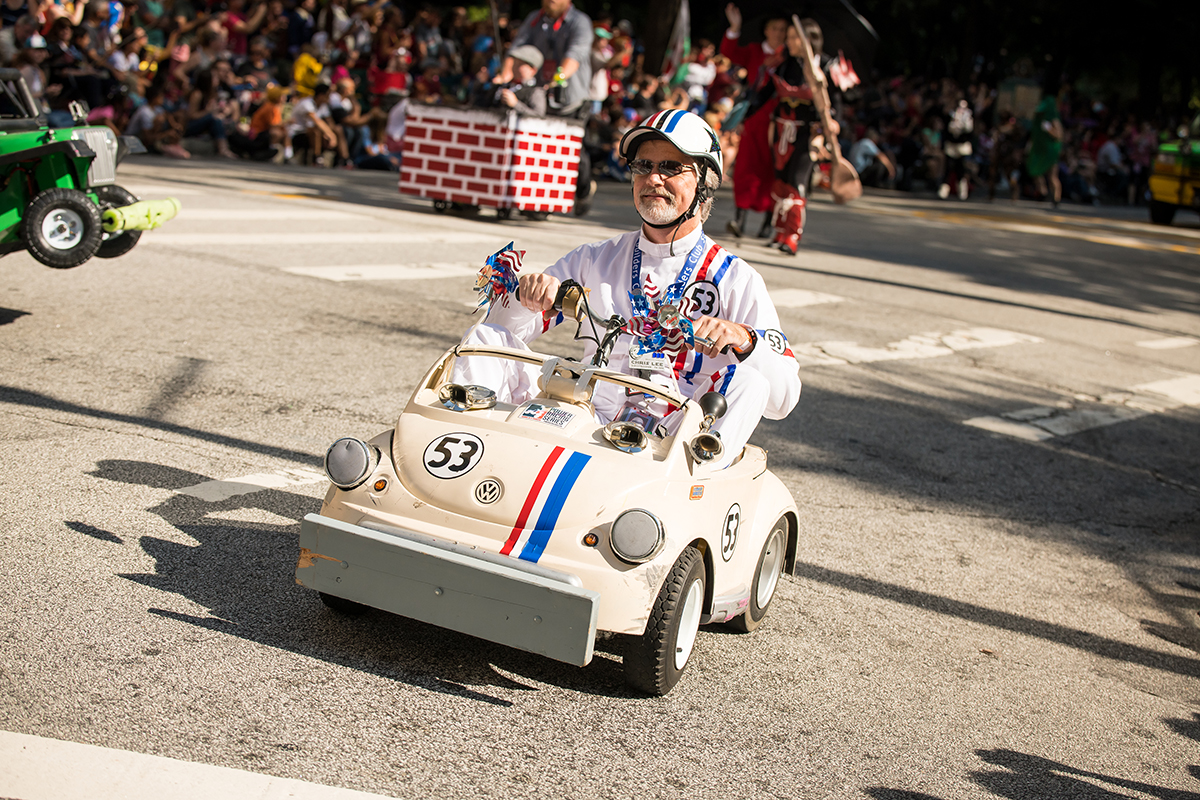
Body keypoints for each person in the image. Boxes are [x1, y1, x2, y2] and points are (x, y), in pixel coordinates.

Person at [454, 110, 801, 463]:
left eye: (670, 167)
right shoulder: (595, 258)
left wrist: (746, 340)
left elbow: (783, 399)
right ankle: (472, 460)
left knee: (751, 381)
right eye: (642, 166)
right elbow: (503, 331)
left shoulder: (735, 278)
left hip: (675, 438)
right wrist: (525, 298)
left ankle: (686, 489)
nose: (653, 178)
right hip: (585, 413)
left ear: (705, 183)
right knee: (485, 341)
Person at [499, 0, 595, 214]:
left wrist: (558, 78)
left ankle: (583, 190)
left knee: (573, 148)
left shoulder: (580, 22)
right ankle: (539, 200)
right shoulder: (535, 19)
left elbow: (575, 54)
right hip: (540, 93)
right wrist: (504, 75)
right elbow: (517, 49)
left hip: (570, 96)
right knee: (540, 145)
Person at [478, 44, 546, 118]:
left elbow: (539, 116)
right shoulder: (503, 86)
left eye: (520, 64)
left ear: (533, 70)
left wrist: (515, 104)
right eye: (515, 63)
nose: (515, 67)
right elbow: (480, 106)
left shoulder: (535, 91)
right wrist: (481, 84)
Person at [1027, 89, 1062, 207]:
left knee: (1052, 176)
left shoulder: (1054, 119)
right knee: (1035, 170)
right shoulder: (1039, 118)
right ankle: (1043, 192)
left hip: (1051, 151)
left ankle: (1056, 199)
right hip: (1039, 150)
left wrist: (1049, 129)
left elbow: (1059, 135)